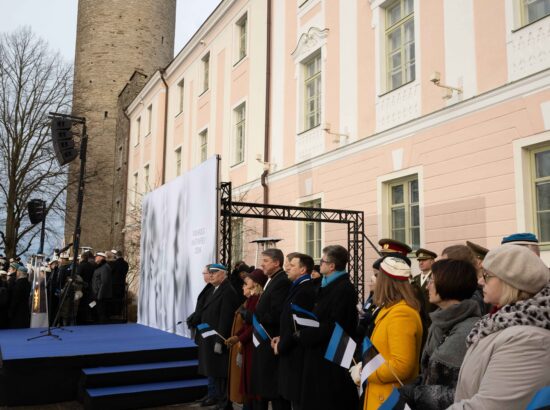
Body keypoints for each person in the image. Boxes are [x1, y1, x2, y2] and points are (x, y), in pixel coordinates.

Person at [449, 245, 550, 409]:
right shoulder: (499, 322)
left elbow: (490, 406)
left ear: (509, 281)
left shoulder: (529, 340)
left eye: (487, 275)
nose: (480, 281)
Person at [399, 259, 480, 410]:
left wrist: (415, 393)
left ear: (449, 283)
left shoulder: (468, 329)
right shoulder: (438, 323)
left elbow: (460, 392)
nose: (428, 285)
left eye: (432, 280)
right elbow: (429, 374)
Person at [297, 245, 359, 410]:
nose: (320, 264)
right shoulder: (326, 284)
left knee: (327, 400)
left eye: (322, 261)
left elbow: (335, 324)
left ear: (332, 266)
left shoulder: (343, 288)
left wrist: (306, 335)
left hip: (330, 356)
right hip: (319, 352)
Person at [363, 257, 422, 410]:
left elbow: (401, 366)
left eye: (377, 276)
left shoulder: (401, 313)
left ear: (386, 281)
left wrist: (367, 371)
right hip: (383, 394)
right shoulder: (391, 309)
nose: (374, 279)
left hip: (389, 399)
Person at [272, 253, 317, 410]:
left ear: (303, 269)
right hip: (290, 349)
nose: (287, 268)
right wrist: (281, 336)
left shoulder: (305, 290)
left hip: (296, 354)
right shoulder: (297, 287)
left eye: (292, 265)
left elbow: (298, 326)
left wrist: (282, 345)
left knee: (297, 401)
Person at [249, 248, 291, 410]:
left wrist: (257, 316)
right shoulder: (272, 279)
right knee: (264, 387)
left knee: (274, 389)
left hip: (272, 340)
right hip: (264, 342)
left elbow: (277, 313)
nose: (262, 264)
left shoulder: (282, 281)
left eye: (265, 261)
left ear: (276, 263)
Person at [197, 263, 240, 410]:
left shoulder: (227, 291)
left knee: (221, 372)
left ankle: (224, 401)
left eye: (215, 273)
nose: (211, 275)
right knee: (213, 370)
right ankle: (216, 396)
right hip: (209, 336)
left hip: (218, 338)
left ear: (223, 274)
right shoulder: (215, 289)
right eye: (211, 273)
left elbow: (225, 318)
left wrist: (219, 341)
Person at [226, 268, 267, 410]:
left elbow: (253, 325)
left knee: (252, 383)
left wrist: (239, 338)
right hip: (247, 343)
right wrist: (237, 337)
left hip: (252, 345)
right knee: (248, 383)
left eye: (248, 280)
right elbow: (246, 324)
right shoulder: (251, 299)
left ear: (255, 283)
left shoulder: (256, 299)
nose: (245, 282)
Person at [186, 265, 214, 406]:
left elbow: (206, 309)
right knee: (207, 365)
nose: (203, 275)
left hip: (209, 333)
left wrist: (197, 317)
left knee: (211, 365)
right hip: (203, 330)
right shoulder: (209, 288)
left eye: (205, 273)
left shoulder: (213, 289)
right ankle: (210, 393)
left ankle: (213, 394)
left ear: (211, 274)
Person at [91, 252, 113, 324]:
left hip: (101, 295)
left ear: (101, 257)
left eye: (96, 256)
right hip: (97, 294)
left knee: (101, 313)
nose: (95, 258)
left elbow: (104, 282)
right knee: (96, 310)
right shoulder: (101, 266)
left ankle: (102, 326)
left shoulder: (105, 267)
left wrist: (99, 295)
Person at [8, 264, 31, 328]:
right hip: (25, 311)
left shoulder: (18, 284)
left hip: (18, 313)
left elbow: (15, 299)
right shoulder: (28, 283)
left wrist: (11, 311)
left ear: (19, 273)